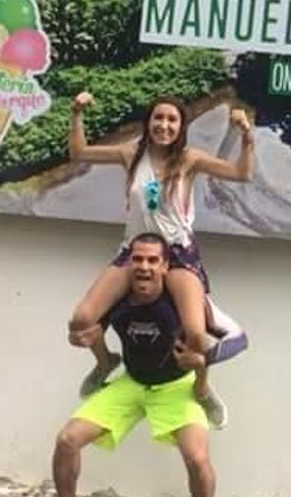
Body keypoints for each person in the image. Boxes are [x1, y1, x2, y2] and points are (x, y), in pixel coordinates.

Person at [33, 234, 245, 497]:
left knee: (198, 457)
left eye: (151, 261)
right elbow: (85, 328)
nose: (144, 267)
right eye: (138, 260)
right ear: (129, 263)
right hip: (131, 383)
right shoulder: (119, 301)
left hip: (176, 387)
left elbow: (231, 341)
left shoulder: (183, 302)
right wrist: (82, 339)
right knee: (67, 440)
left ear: (164, 266)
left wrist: (203, 365)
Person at [67, 92, 254, 426]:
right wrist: (77, 113)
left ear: (181, 126)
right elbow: (79, 153)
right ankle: (105, 363)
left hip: (177, 254)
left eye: (172, 120)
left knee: (196, 336)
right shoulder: (130, 154)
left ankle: (203, 389)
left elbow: (241, 173)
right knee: (82, 319)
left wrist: (246, 136)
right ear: (149, 122)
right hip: (136, 250)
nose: (164, 125)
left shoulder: (189, 159)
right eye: (158, 118)